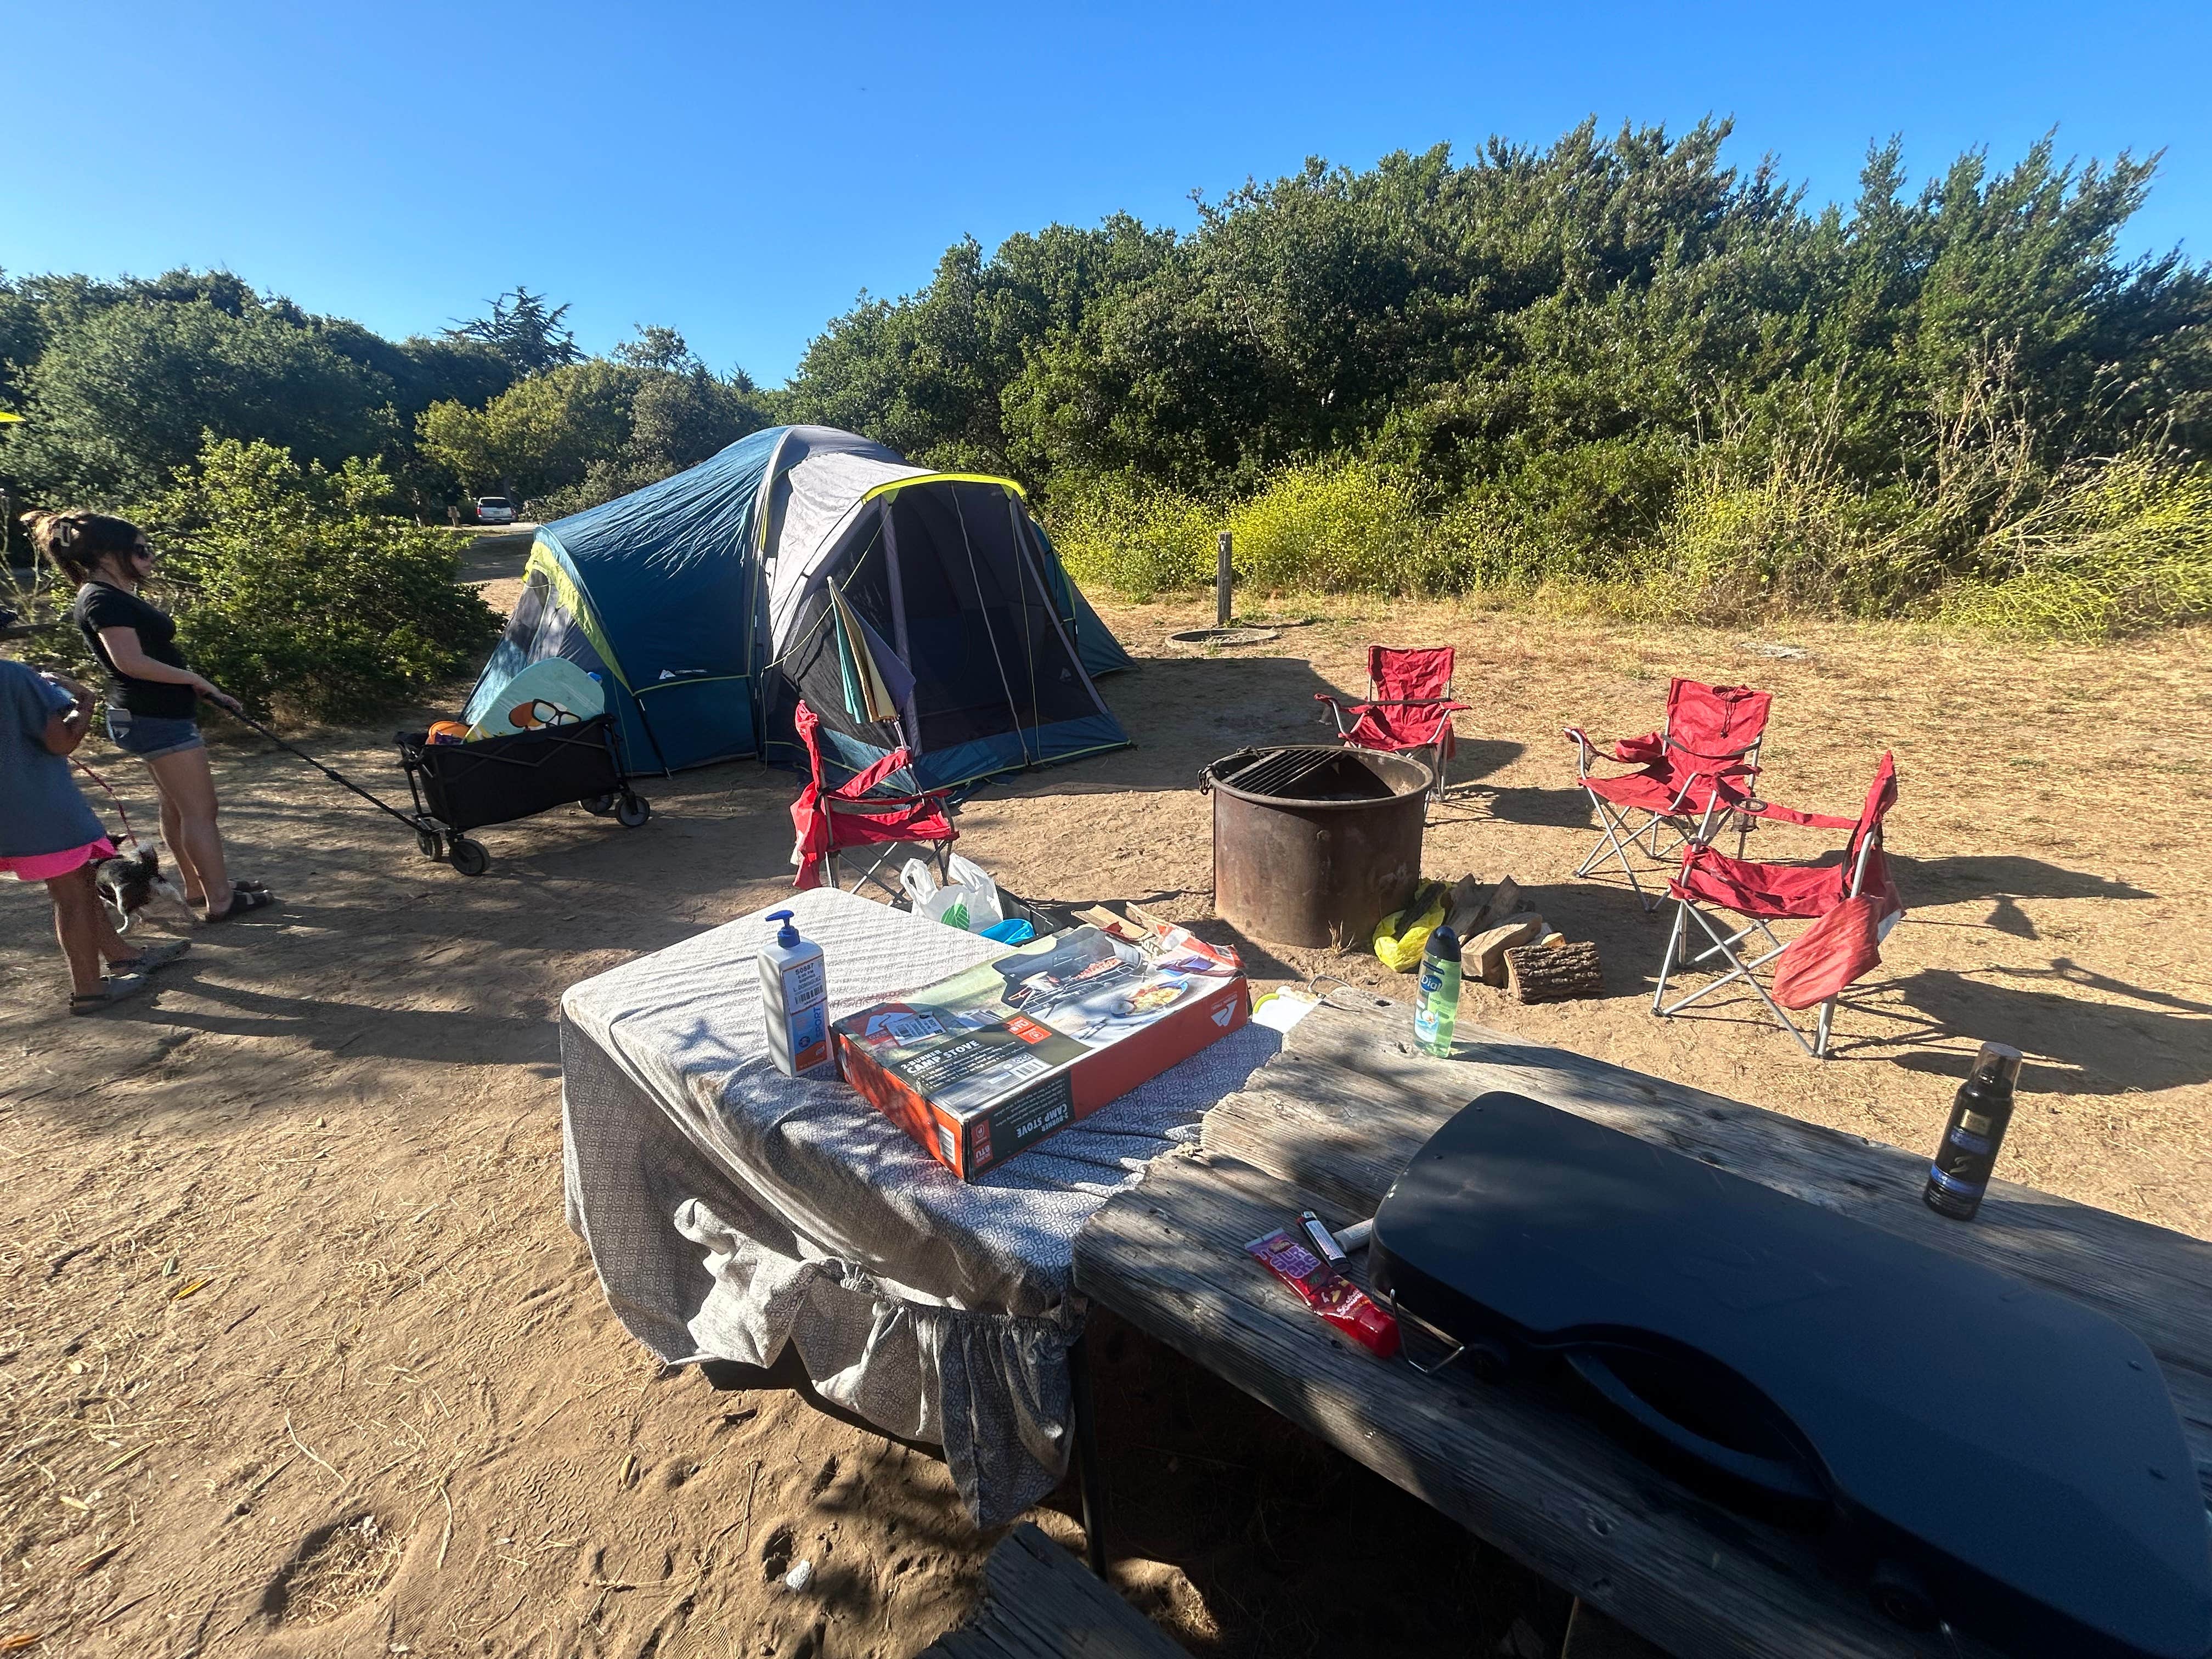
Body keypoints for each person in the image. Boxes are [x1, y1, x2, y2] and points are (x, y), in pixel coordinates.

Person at [26, 510, 275, 921]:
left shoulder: (109, 595)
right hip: (154, 715)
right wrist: (196, 679)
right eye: (142, 551)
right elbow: (130, 662)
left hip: (151, 714)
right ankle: (221, 900)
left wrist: (191, 683)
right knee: (201, 810)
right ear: (110, 554)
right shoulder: (102, 599)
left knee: (177, 806)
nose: (151, 559)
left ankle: (201, 887)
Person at [0, 606, 190, 1012]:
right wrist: (84, 704)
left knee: (82, 883)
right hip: (40, 809)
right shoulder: (14, 676)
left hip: (10, 818)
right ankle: (88, 991)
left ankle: (124, 957)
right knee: (70, 894)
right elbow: (61, 743)